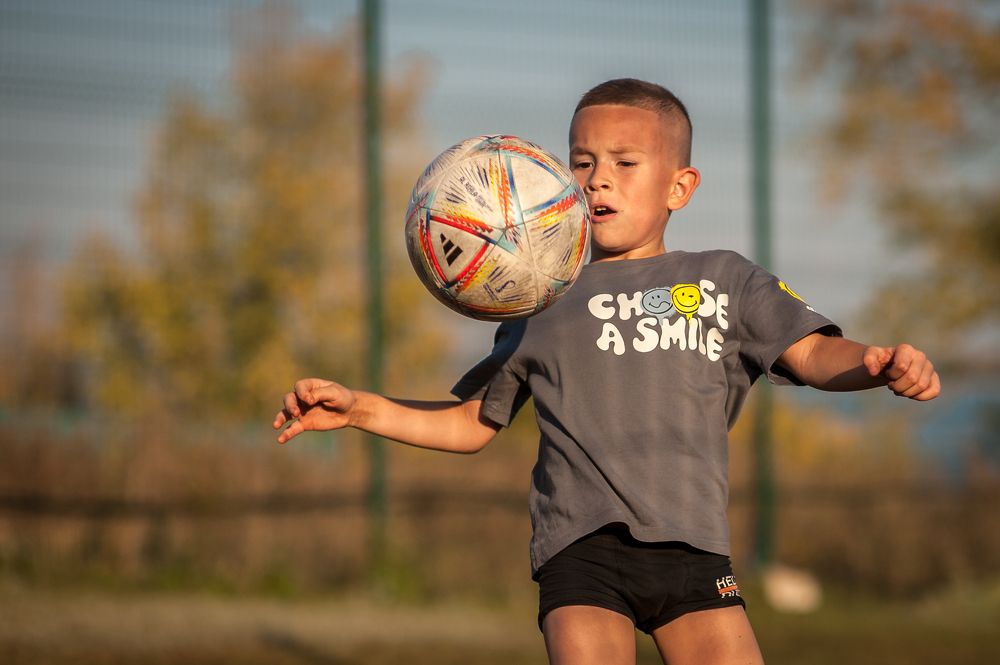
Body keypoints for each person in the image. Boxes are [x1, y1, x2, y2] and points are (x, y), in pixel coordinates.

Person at [271, 78, 941, 665]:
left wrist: (876, 363)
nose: (598, 178)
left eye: (625, 162)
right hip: (580, 553)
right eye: (583, 161)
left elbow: (815, 353)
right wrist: (359, 408)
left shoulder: (723, 279)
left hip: (693, 549)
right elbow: (472, 422)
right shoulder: (540, 302)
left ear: (680, 185)